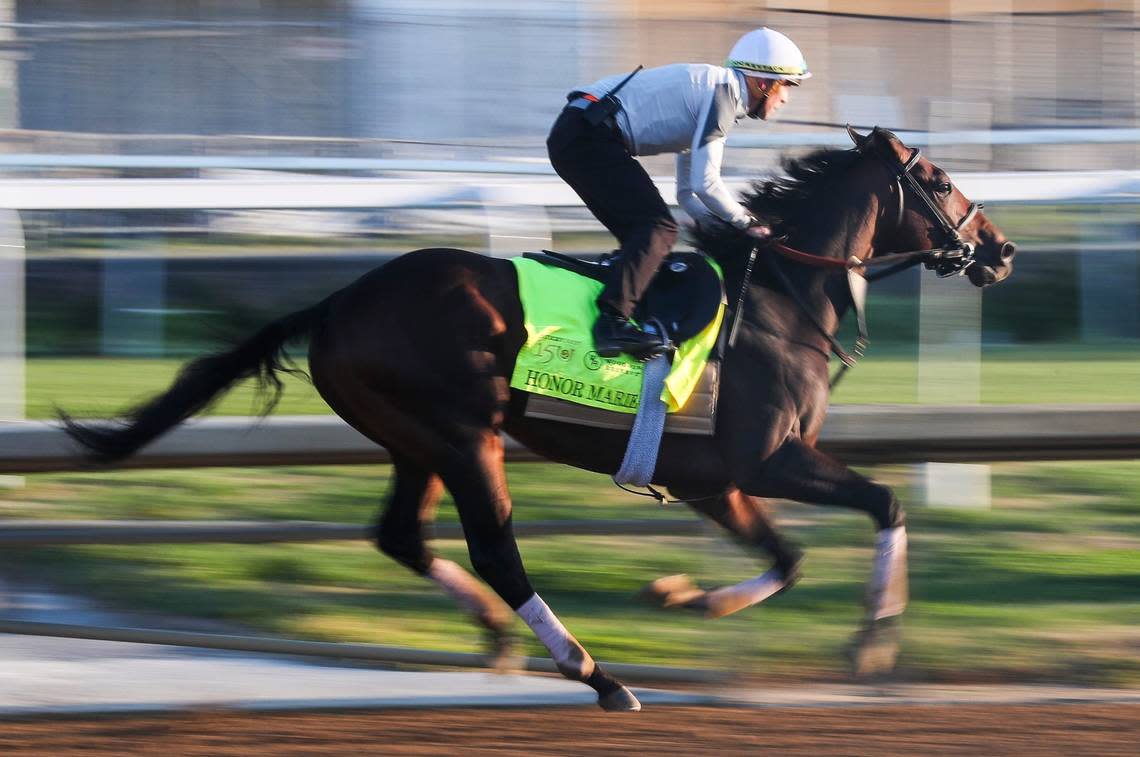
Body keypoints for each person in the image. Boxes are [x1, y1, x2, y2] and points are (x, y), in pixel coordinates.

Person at [546, 27, 810, 358]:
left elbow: (687, 194)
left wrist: (716, 226)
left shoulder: (717, 93)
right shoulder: (723, 94)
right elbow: (706, 184)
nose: (786, 97)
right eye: (787, 85)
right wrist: (747, 223)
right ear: (762, 83)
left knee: (648, 238)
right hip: (588, 135)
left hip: (580, 131)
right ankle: (611, 326)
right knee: (657, 229)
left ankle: (624, 314)